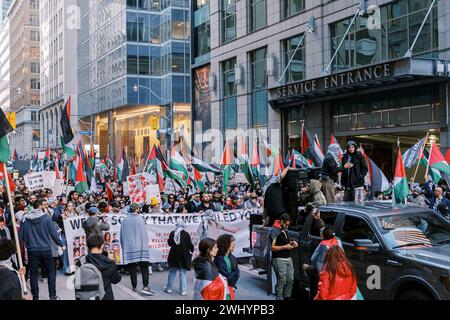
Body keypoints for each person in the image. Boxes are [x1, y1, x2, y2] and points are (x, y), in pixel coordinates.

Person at [19, 199, 65, 300]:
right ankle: (52, 296)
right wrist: (61, 244)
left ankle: (36, 297)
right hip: (45, 249)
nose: (45, 207)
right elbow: (53, 233)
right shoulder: (46, 218)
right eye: (43, 206)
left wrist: (19, 248)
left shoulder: (25, 219)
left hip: (32, 250)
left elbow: (21, 237)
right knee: (51, 272)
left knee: (34, 274)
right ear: (39, 206)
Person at [120, 203, 155, 296]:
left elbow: (122, 234)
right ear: (136, 209)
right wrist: (145, 243)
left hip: (130, 246)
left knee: (132, 267)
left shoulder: (125, 220)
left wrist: (124, 245)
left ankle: (134, 287)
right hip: (141, 246)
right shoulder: (140, 219)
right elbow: (144, 233)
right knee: (144, 266)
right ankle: (145, 286)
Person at [303, 225, 341, 300]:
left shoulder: (324, 246)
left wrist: (307, 268)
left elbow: (318, 269)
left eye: (321, 233)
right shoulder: (337, 242)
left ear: (323, 235)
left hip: (322, 281)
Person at [78, 234, 122, 300]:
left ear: (87, 246)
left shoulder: (81, 261)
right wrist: (112, 261)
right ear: (102, 246)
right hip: (105, 296)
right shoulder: (109, 263)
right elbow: (116, 280)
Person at [270, 213, 297, 300]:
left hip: (288, 258)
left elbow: (285, 241)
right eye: (286, 224)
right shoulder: (274, 230)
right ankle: (279, 298)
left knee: (290, 280)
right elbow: (272, 247)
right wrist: (285, 247)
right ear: (282, 221)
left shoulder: (283, 229)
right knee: (282, 280)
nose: (287, 226)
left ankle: (287, 297)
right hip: (279, 259)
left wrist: (292, 243)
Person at [164, 220, 194, 296]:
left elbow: (170, 243)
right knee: (182, 274)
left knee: (172, 272)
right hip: (184, 256)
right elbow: (190, 245)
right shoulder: (186, 234)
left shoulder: (173, 233)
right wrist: (192, 250)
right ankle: (183, 290)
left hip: (174, 256)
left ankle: (168, 288)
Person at [215, 234, 240, 300]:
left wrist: (234, 275)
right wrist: (235, 273)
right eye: (231, 242)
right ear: (225, 244)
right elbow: (227, 276)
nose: (233, 244)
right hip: (221, 289)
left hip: (230, 288)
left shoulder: (232, 257)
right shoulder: (219, 258)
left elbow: (237, 274)